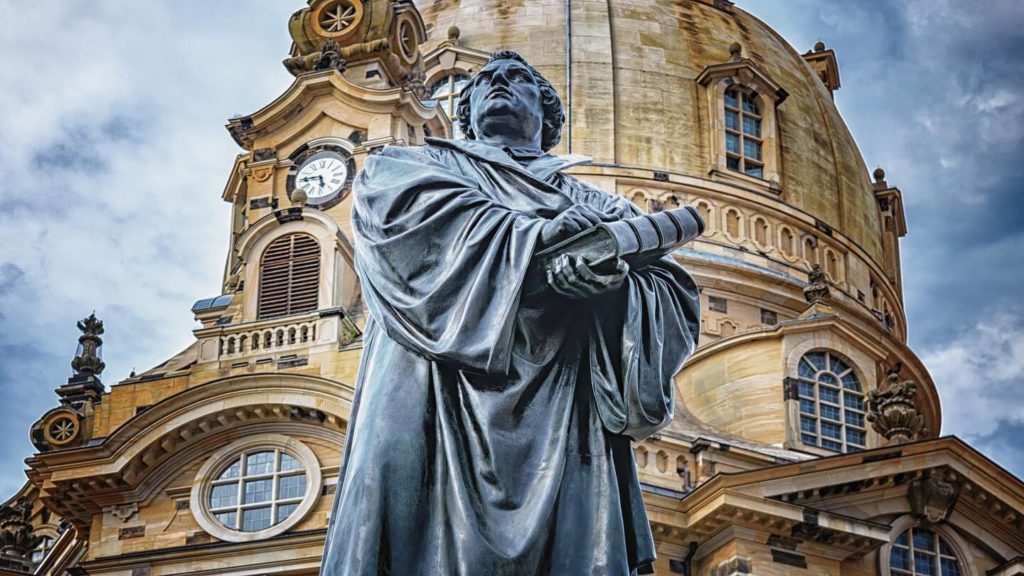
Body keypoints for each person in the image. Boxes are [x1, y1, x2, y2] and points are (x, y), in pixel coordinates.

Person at [320, 50, 701, 576]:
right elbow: (399, 225)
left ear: (547, 116)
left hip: (563, 397)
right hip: (431, 385)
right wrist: (536, 236)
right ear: (468, 110)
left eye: (517, 79)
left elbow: (670, 289)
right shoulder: (412, 165)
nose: (499, 83)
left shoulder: (601, 205)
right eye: (485, 82)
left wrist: (609, 287)